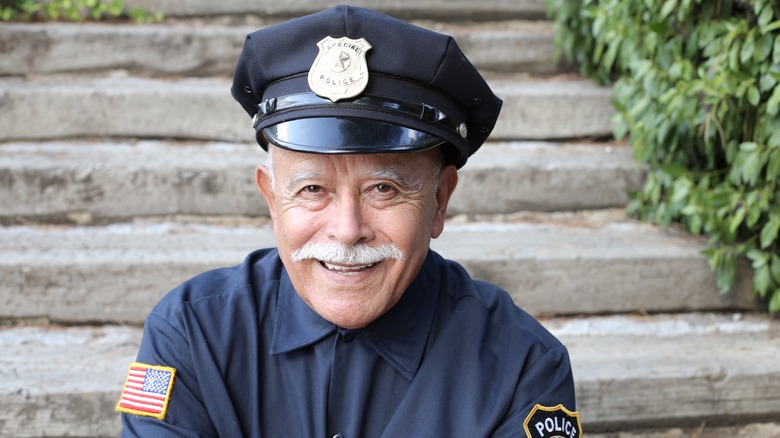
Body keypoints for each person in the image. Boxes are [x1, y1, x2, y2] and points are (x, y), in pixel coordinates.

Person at [116, 5, 581, 437]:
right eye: (312, 189)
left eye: (384, 189)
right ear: (273, 199)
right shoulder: (192, 335)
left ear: (439, 201)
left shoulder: (523, 367)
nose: (346, 229)